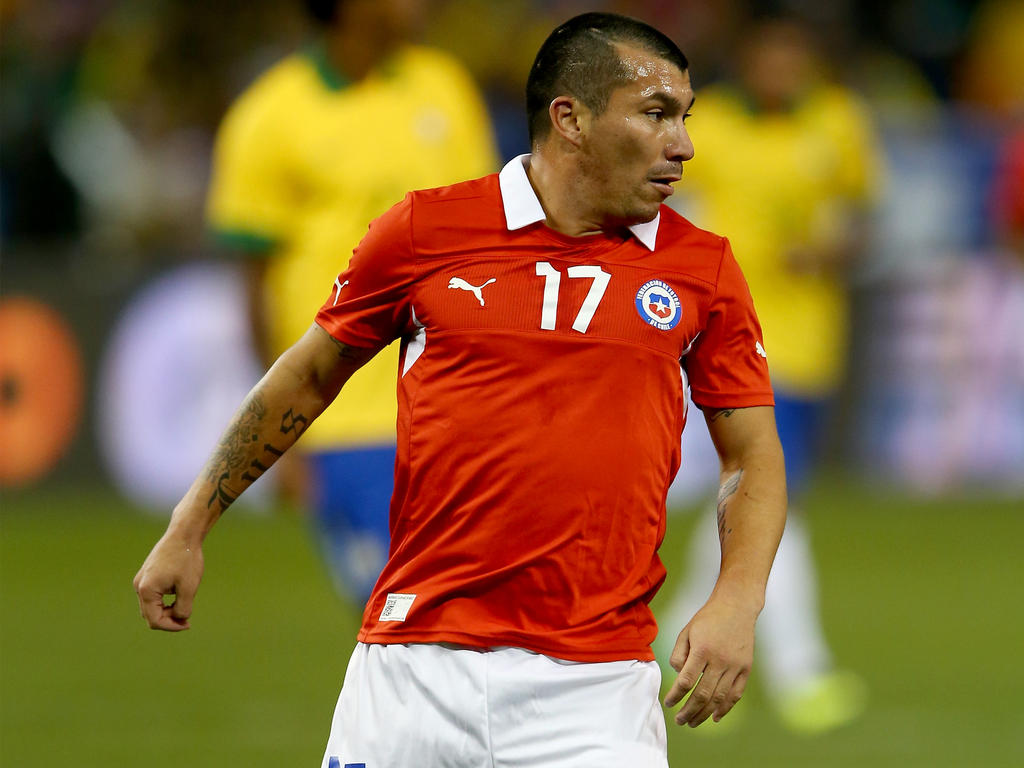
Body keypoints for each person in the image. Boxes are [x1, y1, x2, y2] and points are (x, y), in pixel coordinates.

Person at [135, 12, 786, 766]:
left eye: (685, 116)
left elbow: (751, 453)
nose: (684, 144)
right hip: (409, 676)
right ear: (568, 119)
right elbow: (309, 375)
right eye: (655, 114)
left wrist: (737, 603)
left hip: (595, 690)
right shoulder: (423, 232)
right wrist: (191, 524)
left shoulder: (700, 268)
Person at [205, 0, 498, 601]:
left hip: (460, 402)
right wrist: (278, 437)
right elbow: (254, 285)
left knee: (482, 621)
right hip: (347, 420)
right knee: (401, 626)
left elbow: (491, 238)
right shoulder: (269, 116)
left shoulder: (443, 86)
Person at [658, 16, 881, 733]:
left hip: (809, 343)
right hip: (720, 340)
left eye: (795, 56)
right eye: (770, 55)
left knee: (746, 497)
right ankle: (801, 670)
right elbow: (671, 211)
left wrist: (832, 252)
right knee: (763, 499)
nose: (782, 68)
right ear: (748, 60)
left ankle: (670, 640)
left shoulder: (838, 122)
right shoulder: (710, 126)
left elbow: (861, 219)